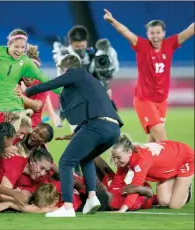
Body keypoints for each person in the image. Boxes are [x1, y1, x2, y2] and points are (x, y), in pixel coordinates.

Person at [24, 54, 123, 217]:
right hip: (112, 129)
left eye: (61, 72)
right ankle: (92, 198)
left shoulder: (76, 72)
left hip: (96, 125)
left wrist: (28, 91)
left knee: (65, 162)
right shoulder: (91, 82)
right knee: (86, 158)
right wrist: (75, 134)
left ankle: (68, 207)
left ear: (65, 69)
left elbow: (50, 84)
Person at [104, 9, 195, 142]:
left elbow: (189, 31)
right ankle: (173, 161)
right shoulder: (142, 46)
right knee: (162, 139)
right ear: (147, 34)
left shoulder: (170, 44)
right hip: (144, 100)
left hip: (162, 101)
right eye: (152, 33)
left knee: (152, 142)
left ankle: (144, 163)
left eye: (158, 32)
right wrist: (112, 21)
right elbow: (126, 32)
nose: (155, 36)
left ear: (163, 33)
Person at [110, 133, 194, 212]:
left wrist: (123, 208)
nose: (116, 161)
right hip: (168, 163)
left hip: (185, 158)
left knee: (174, 206)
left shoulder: (141, 160)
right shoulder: (125, 158)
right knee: (164, 202)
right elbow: (117, 181)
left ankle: (186, 188)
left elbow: (136, 185)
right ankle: (176, 181)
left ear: (129, 152)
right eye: (114, 158)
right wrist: (109, 195)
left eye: (118, 157)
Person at [0, 28, 60, 112]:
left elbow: (46, 80)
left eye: (22, 47)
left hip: (12, 107)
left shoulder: (26, 62)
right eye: (16, 46)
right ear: (9, 44)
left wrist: (66, 92)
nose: (19, 50)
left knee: (22, 121)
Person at [16, 44, 48, 128]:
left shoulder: (42, 84)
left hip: (33, 127)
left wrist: (20, 96)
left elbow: (37, 106)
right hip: (15, 125)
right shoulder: (15, 80)